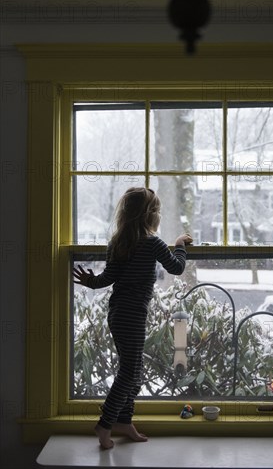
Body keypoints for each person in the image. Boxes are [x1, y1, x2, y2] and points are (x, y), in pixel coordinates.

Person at [73, 187, 192, 449]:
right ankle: (105, 424)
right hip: (133, 315)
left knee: (133, 370)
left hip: (118, 313)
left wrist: (90, 281)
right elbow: (177, 267)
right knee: (129, 372)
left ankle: (124, 421)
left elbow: (107, 279)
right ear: (151, 216)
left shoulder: (119, 242)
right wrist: (180, 245)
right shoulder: (152, 242)